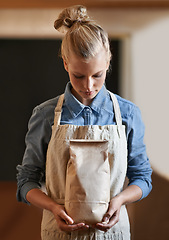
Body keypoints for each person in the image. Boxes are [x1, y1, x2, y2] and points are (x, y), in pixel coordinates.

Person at [16, 5, 152, 240]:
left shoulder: (128, 114)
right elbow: (26, 181)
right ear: (66, 64)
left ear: (108, 61)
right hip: (57, 233)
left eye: (97, 75)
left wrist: (119, 200)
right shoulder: (46, 114)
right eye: (78, 75)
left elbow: (143, 177)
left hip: (114, 234)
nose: (88, 86)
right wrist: (53, 207)